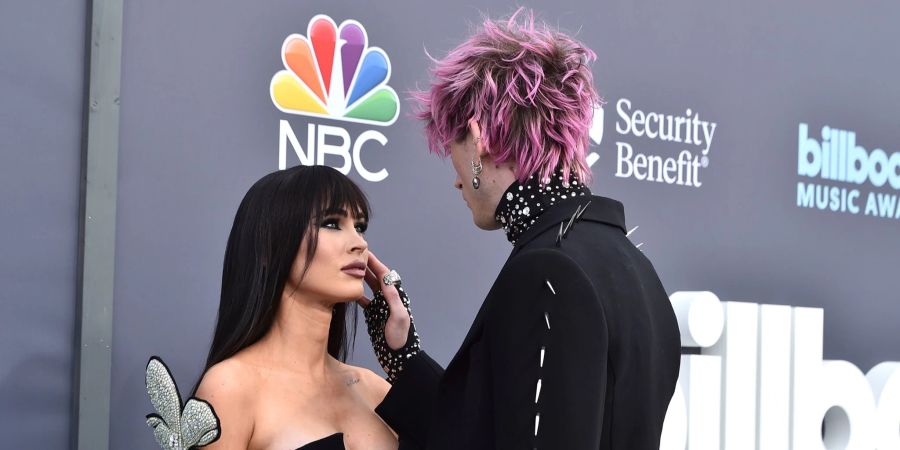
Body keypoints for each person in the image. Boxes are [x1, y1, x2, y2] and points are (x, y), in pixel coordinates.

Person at [360, 9, 682, 450]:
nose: (456, 178)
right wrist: (404, 356)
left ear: (478, 140)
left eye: (452, 148)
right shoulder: (634, 264)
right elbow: (494, 427)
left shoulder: (548, 272)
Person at [145, 165, 398, 450]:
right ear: (270, 243)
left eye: (360, 227)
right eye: (331, 223)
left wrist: (405, 357)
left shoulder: (375, 389)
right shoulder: (231, 387)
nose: (358, 243)